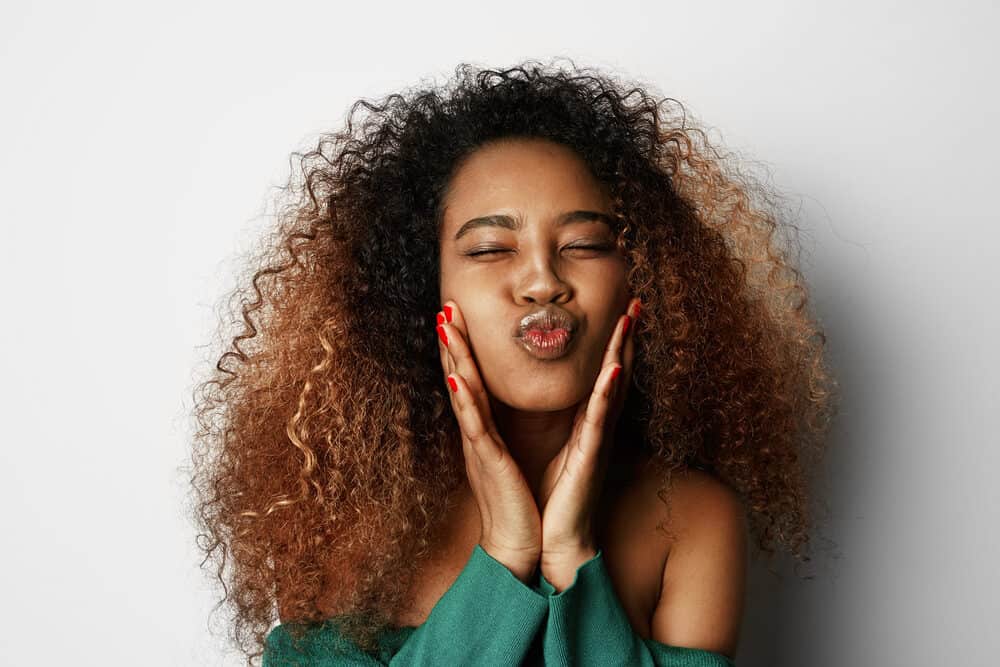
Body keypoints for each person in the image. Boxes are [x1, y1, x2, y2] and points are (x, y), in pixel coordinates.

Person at [188, 58, 839, 666]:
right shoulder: (339, 515)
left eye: (584, 243)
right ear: (422, 286)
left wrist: (571, 554)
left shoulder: (690, 521)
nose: (541, 282)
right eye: (492, 248)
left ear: (642, 281)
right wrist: (503, 555)